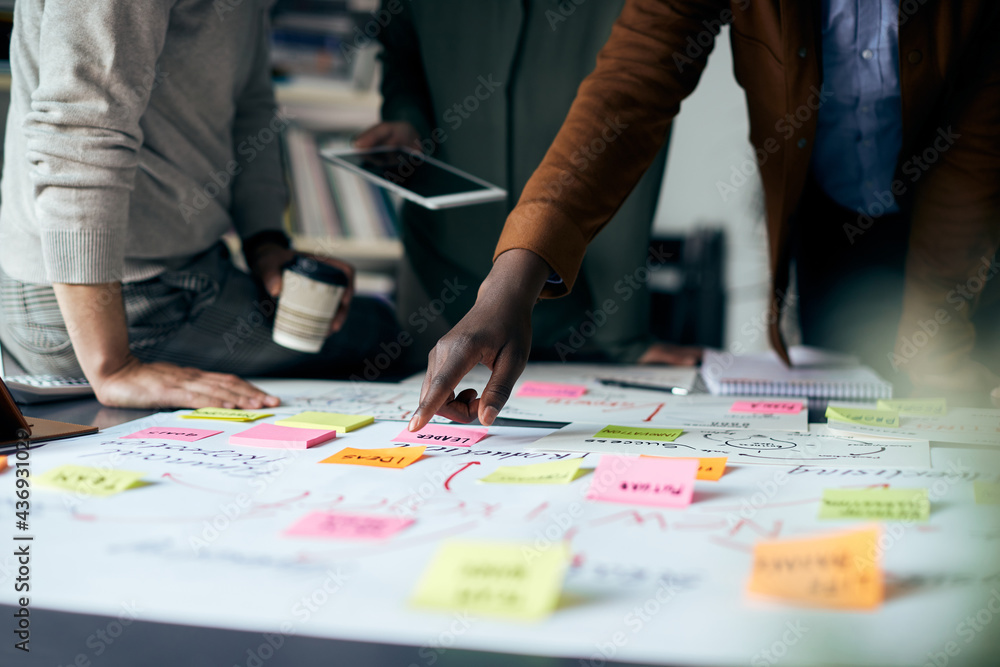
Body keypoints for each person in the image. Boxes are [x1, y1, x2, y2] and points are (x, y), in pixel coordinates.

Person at [409, 0, 1000, 431]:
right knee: (855, 440)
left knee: (961, 424)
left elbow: (976, 150)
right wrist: (509, 284)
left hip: (980, 231)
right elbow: (630, 88)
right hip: (834, 223)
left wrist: (939, 341)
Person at [0, 0, 398, 410]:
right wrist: (112, 366)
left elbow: (250, 105)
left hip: (181, 271)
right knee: (381, 334)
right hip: (105, 302)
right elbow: (81, 135)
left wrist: (266, 243)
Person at [354, 0, 699, 368]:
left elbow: (634, 99)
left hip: (589, 297)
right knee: (423, 405)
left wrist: (628, 339)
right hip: (439, 259)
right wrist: (406, 120)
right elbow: (401, 53)